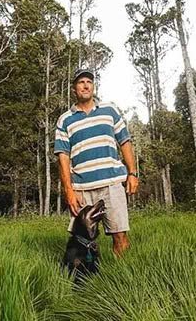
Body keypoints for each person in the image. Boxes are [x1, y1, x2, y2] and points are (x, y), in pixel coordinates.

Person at [54, 68, 139, 256]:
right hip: (82, 189)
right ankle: (86, 280)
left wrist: (132, 173)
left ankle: (122, 279)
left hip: (111, 184)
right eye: (80, 82)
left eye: (89, 82)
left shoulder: (109, 110)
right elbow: (63, 158)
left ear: (93, 87)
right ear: (74, 89)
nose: (85, 85)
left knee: (120, 237)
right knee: (82, 241)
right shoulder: (65, 120)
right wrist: (69, 190)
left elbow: (124, 141)